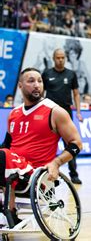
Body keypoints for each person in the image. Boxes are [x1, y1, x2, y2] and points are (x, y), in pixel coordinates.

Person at [0, 67, 82, 223]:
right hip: (13, 168)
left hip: (35, 173)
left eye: (40, 81)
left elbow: (76, 144)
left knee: (4, 156)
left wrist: (56, 163)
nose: (37, 85)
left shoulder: (55, 111)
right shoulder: (13, 114)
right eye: (31, 81)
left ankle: (9, 212)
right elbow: (6, 145)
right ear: (20, 86)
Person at [42, 48, 83, 185]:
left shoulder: (71, 74)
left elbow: (76, 94)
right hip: (49, 112)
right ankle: (46, 173)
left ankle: (74, 174)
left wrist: (78, 111)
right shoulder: (46, 74)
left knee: (70, 144)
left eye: (63, 57)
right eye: (58, 57)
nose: (61, 60)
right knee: (47, 144)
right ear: (54, 58)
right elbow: (41, 93)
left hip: (66, 113)